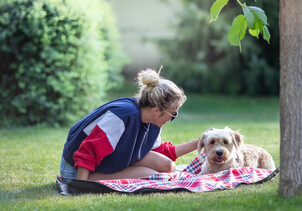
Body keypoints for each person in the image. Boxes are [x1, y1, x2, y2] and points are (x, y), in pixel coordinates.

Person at [60, 68, 198, 181]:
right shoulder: (122, 116)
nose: (173, 117)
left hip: (103, 160)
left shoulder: (151, 120)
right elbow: (88, 151)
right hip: (75, 170)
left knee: (168, 166)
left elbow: (162, 152)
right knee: (154, 176)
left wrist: (199, 142)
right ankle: (90, 180)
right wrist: (80, 186)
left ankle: (112, 172)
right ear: (156, 110)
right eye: (173, 114)